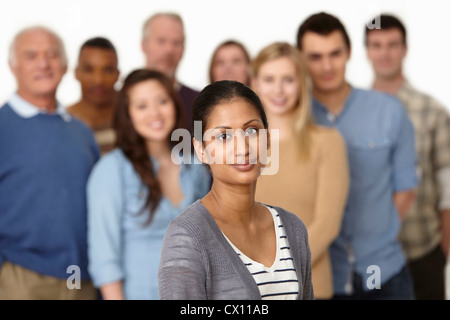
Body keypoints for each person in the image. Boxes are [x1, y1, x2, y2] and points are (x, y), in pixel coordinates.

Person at [296, 12, 418, 299]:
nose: (327, 66)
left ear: (350, 52)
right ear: (300, 59)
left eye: (335, 54)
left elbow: (405, 189)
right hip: (323, 277)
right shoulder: (292, 121)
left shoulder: (390, 111)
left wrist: (376, 236)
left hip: (384, 272)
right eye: (315, 57)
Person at [158, 80, 314, 300]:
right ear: (201, 150)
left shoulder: (293, 229)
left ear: (268, 139)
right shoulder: (187, 236)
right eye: (223, 136)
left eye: (252, 130)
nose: (242, 148)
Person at [86, 69, 211, 300]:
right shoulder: (112, 170)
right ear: (128, 114)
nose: (154, 113)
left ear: (174, 104)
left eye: (162, 101)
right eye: (142, 106)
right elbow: (105, 258)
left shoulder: (196, 168)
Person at [0, 26, 99, 299]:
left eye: (52, 55)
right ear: (13, 65)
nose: (43, 63)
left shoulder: (81, 131)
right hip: (20, 277)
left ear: (65, 65)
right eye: (31, 56)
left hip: (80, 278)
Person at [251, 42, 349, 299]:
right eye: (269, 79)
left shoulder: (327, 142)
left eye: (288, 79)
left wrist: (276, 273)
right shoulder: (241, 145)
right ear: (255, 83)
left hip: (309, 286)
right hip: (249, 289)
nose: (278, 90)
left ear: (302, 83)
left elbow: (327, 224)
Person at [365, 14, 450, 300]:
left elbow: (448, 186)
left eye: (392, 44)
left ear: (404, 49)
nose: (384, 53)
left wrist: (443, 249)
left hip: (422, 251)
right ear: (366, 51)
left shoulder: (431, 111)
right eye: (376, 45)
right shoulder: (353, 112)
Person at [141, 12, 199, 133]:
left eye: (176, 43)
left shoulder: (200, 103)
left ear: (183, 49)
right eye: (161, 41)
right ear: (143, 45)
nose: (169, 50)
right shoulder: (120, 100)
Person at [67, 37, 120, 155]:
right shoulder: (63, 122)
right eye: (89, 70)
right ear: (76, 73)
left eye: (107, 70)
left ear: (117, 75)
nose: (98, 80)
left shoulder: (134, 120)